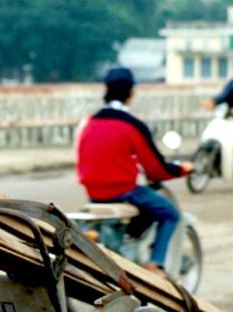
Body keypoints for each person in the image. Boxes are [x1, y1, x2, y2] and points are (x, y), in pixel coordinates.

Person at [76, 67, 191, 278]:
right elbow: (157, 170)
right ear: (131, 92)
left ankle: (130, 242)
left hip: (93, 192)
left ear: (106, 90)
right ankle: (156, 265)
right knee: (170, 213)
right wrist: (182, 169)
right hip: (123, 191)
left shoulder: (89, 122)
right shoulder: (132, 125)